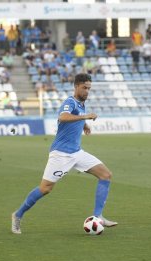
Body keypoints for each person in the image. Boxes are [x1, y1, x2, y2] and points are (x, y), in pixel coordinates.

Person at [11, 73, 117, 234]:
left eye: (89, 88)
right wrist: (85, 116)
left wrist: (84, 124)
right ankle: (18, 215)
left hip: (77, 152)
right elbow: (63, 117)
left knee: (106, 175)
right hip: (61, 154)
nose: (87, 91)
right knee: (45, 188)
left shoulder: (81, 104)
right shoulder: (70, 102)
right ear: (76, 86)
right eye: (84, 88)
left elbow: (75, 118)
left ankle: (98, 216)